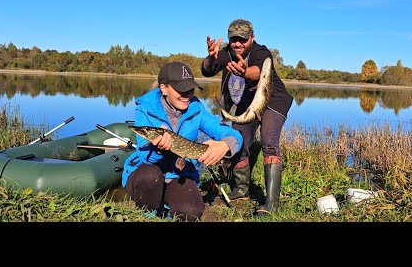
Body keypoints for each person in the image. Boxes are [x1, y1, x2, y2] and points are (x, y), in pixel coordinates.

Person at [122, 61, 243, 222]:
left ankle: (166, 201)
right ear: (164, 88)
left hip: (176, 174)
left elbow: (234, 134)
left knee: (191, 212)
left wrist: (225, 144)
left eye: (190, 90)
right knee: (150, 176)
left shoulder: (197, 109)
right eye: (181, 90)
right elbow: (144, 157)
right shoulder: (145, 108)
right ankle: (149, 212)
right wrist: (159, 150)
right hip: (144, 172)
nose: (187, 96)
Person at [201, 18, 293, 214]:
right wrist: (210, 57)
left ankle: (272, 204)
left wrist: (244, 72)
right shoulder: (225, 53)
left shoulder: (262, 52)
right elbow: (207, 71)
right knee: (239, 141)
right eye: (234, 39)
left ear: (252, 37)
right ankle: (241, 188)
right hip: (246, 105)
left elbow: (257, 72)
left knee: (269, 142)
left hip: (272, 100)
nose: (238, 44)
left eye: (242, 39)